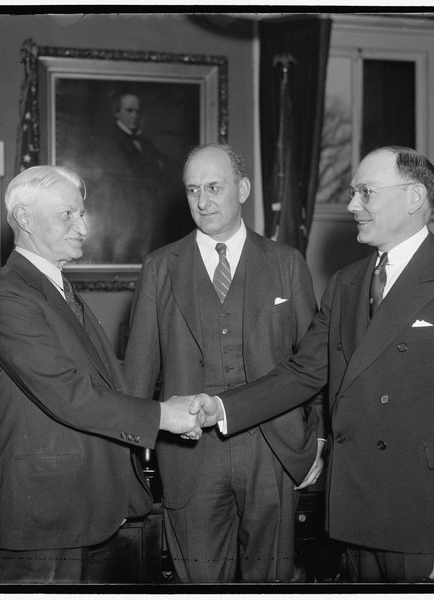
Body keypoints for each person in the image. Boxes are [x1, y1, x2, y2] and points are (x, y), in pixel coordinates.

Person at [190, 146, 434, 584]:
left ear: (414, 197)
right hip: (356, 515)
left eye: (366, 193)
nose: (351, 206)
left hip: (430, 522)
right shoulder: (346, 284)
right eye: (352, 192)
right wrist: (223, 407)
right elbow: (302, 371)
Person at [0, 165, 201, 583]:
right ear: (24, 219)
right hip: (41, 513)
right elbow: (69, 394)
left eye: (82, 213)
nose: (83, 225)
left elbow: (103, 380)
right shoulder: (6, 296)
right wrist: (163, 416)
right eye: (67, 215)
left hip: (80, 504)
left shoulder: (57, 286)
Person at [123, 144, 325, 583]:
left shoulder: (286, 263)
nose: (202, 201)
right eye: (193, 189)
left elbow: (314, 362)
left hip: (272, 449)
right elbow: (139, 372)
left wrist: (316, 443)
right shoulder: (161, 267)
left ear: (244, 189)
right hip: (189, 456)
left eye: (214, 187)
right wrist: (132, 457)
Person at [80, 92, 180, 264]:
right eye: (129, 110)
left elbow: (165, 172)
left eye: (137, 111)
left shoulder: (146, 143)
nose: (134, 116)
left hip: (147, 215)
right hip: (121, 216)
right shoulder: (108, 142)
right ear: (117, 113)